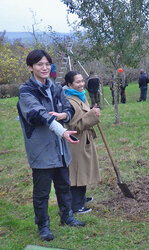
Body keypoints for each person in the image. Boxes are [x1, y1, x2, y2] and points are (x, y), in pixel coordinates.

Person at [17, 49, 85, 242]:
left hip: (60, 148)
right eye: (40, 64)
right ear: (31, 67)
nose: (44, 68)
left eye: (47, 64)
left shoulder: (55, 87)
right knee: (42, 192)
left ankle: (67, 216)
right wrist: (62, 130)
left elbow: (67, 107)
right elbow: (37, 114)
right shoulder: (26, 91)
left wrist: (65, 116)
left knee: (64, 185)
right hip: (41, 148)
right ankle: (43, 226)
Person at [64, 71, 101, 214]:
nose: (81, 84)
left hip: (84, 140)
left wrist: (91, 112)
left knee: (83, 171)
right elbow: (74, 126)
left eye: (82, 81)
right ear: (69, 84)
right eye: (77, 82)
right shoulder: (70, 101)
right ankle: (76, 205)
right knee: (77, 173)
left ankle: (81, 198)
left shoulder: (79, 96)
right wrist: (93, 116)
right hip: (76, 142)